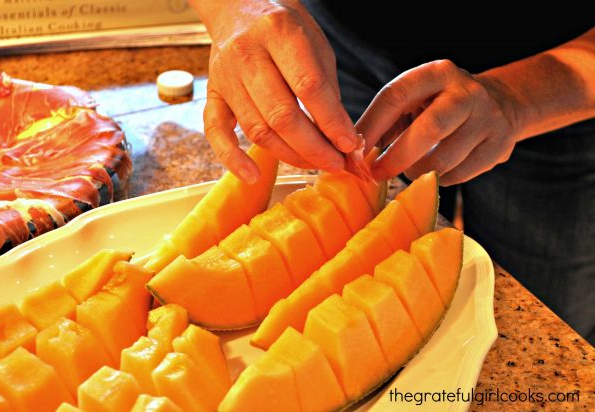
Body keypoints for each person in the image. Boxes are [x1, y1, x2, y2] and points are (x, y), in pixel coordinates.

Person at [187, 0, 595, 343]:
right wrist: (234, 8)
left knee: (538, 334)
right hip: (340, 46)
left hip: (556, 82)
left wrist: (516, 98)